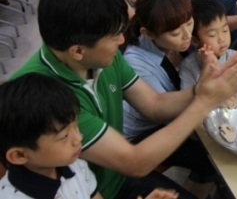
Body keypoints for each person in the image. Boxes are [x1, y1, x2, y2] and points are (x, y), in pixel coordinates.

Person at [11, 0, 237, 199]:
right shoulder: (46, 97)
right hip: (97, 187)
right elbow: (134, 162)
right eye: (115, 35)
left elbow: (153, 104)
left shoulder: (101, 54)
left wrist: (199, 90)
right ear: (77, 51)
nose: (122, 40)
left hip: (113, 177)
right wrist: (205, 101)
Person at [0, 73, 178, 199]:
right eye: (64, 137)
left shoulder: (76, 167)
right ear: (19, 155)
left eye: (76, 126)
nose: (78, 138)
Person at [122, 0, 226, 198]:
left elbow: (213, 26)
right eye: (176, 33)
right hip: (142, 134)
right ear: (148, 33)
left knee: (217, 151)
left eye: (189, 24)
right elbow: (160, 109)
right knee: (212, 155)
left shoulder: (178, 37)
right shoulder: (135, 60)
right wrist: (203, 91)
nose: (188, 36)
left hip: (168, 116)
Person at [179, 0, 237, 89]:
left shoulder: (234, 56)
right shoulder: (188, 66)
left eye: (225, 30)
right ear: (195, 40)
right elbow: (189, 99)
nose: (222, 39)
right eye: (212, 35)